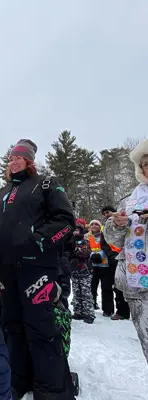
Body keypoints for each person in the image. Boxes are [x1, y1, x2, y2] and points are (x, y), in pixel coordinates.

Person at [0, 139, 76, 399]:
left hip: (37, 267)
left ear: (30, 162)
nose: (14, 162)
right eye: (11, 158)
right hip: (6, 267)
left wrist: (38, 240)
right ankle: (18, 379)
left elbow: (66, 221)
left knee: (41, 326)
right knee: (11, 324)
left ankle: (51, 390)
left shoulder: (45, 183)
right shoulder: (4, 192)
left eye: (19, 158)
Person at [104, 139, 148, 363]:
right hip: (138, 285)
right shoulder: (132, 199)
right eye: (146, 164)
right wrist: (116, 225)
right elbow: (114, 241)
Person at [101, 205, 130, 320]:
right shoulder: (105, 227)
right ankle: (116, 309)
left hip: (123, 257)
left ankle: (123, 310)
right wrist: (109, 254)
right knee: (115, 285)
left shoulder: (123, 223)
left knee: (121, 286)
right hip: (110, 259)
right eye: (104, 213)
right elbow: (104, 244)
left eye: (107, 212)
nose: (106, 215)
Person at [87, 219, 114, 316]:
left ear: (100, 226)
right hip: (92, 265)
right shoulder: (87, 236)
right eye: (92, 224)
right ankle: (91, 304)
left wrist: (100, 255)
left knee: (106, 288)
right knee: (91, 287)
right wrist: (91, 256)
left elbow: (108, 247)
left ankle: (108, 309)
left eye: (96, 224)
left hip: (104, 265)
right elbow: (85, 248)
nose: (94, 226)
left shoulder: (105, 235)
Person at [70, 225, 95, 324]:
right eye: (74, 230)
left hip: (85, 271)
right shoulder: (70, 242)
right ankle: (78, 312)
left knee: (86, 293)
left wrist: (75, 251)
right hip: (73, 271)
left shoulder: (86, 241)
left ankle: (89, 314)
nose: (76, 232)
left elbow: (86, 253)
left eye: (77, 230)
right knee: (76, 293)